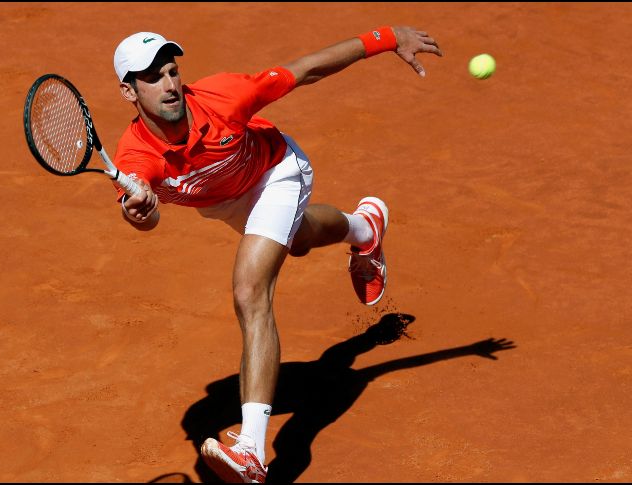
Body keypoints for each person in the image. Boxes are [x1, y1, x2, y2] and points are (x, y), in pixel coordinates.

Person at [111, 26, 442, 483]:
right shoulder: (132, 158)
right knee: (300, 239)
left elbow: (305, 70)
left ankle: (251, 447)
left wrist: (387, 38)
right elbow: (145, 219)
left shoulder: (225, 96)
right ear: (129, 90)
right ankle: (365, 227)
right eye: (152, 78)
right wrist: (141, 209)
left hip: (275, 173)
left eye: (171, 71)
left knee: (251, 290)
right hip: (225, 202)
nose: (168, 85)